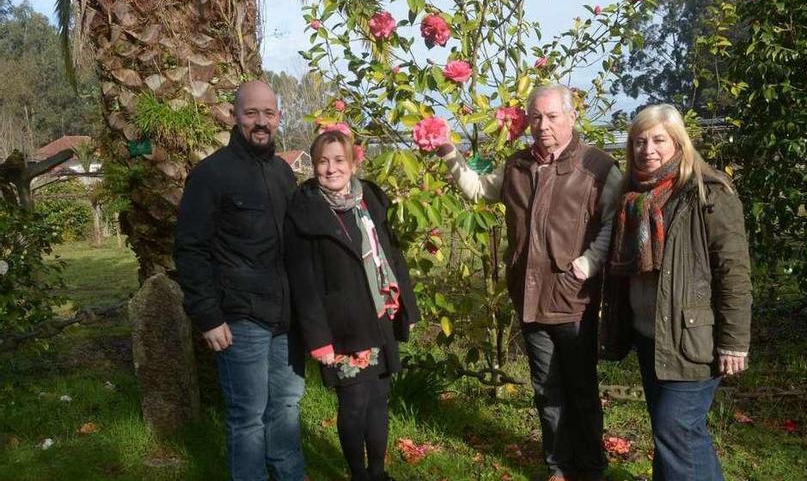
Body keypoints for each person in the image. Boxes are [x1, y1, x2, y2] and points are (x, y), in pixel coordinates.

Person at [435, 84, 622, 481]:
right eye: (536, 117)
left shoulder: (598, 167)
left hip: (573, 299)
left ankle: (590, 467)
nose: (543, 125)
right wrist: (449, 153)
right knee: (546, 389)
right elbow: (478, 190)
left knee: (580, 390)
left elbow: (613, 222)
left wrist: (589, 262)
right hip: (529, 296)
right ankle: (558, 466)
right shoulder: (517, 166)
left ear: (572, 117)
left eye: (553, 116)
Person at [601, 104, 752, 481]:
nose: (647, 150)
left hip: (693, 338)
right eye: (638, 141)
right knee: (675, 432)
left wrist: (735, 342)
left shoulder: (707, 193)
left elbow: (733, 272)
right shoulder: (632, 195)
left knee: (675, 429)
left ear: (678, 143)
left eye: (657, 140)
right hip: (650, 335)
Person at [174, 81, 306, 481]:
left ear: (279, 118)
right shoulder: (211, 175)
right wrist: (208, 317)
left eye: (269, 113)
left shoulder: (285, 172)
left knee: (285, 410)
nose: (261, 122)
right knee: (247, 418)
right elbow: (189, 249)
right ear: (235, 116)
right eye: (252, 113)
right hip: (240, 320)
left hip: (286, 319)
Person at [285, 130, 420, 481]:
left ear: (353, 162)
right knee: (355, 404)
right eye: (322, 162)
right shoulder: (304, 211)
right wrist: (318, 338)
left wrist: (408, 308)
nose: (331, 169)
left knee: (378, 400)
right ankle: (358, 475)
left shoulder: (370, 200)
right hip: (340, 327)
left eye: (339, 160)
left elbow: (393, 256)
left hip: (379, 318)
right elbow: (303, 282)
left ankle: (377, 472)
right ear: (314, 165)